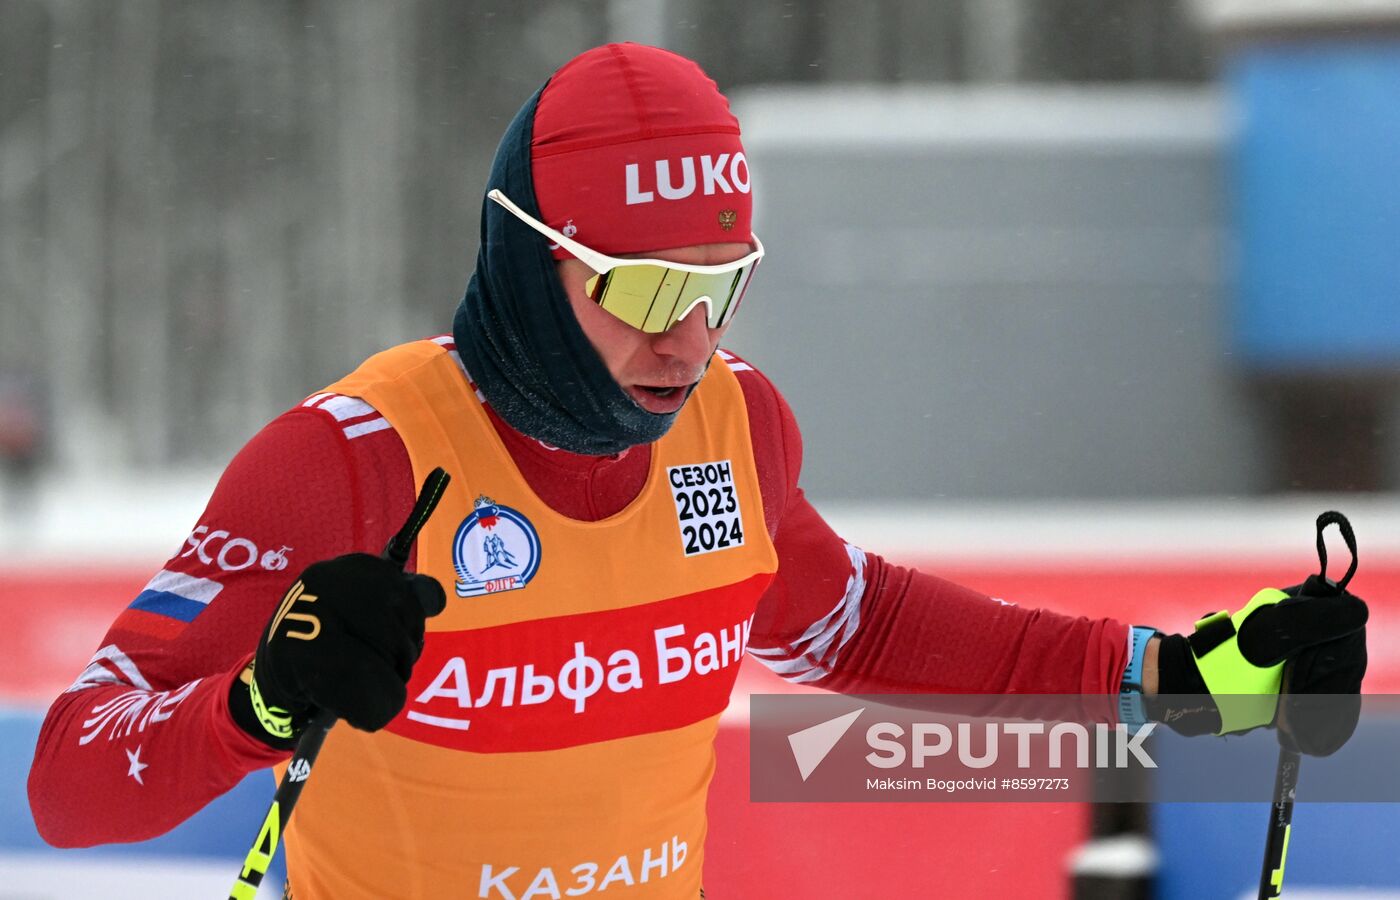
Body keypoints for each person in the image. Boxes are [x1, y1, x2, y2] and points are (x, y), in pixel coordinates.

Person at [27, 43, 1368, 899]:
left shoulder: (735, 426)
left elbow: (865, 623)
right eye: (645, 286)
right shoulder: (353, 461)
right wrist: (260, 702)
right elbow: (70, 782)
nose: (687, 338)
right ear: (532, 260)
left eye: (721, 285)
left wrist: (1176, 676)